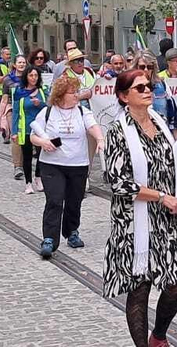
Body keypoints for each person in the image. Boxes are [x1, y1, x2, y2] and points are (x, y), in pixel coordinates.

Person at [102, 69, 177, 347]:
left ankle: (159, 336)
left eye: (148, 86)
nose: (147, 91)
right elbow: (117, 182)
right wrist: (161, 196)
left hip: (167, 219)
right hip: (135, 220)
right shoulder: (118, 131)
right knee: (140, 289)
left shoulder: (160, 122)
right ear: (123, 96)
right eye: (139, 88)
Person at [30, 75, 105, 258]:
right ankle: (49, 239)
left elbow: (93, 126)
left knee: (74, 200)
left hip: (78, 163)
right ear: (61, 95)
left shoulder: (81, 112)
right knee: (54, 201)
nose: (76, 96)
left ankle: (71, 231)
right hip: (52, 164)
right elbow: (33, 135)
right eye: (73, 93)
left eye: (77, 92)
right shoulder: (48, 112)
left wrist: (100, 139)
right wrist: (43, 142)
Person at [12, 66, 50, 194]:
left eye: (35, 75)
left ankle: (38, 176)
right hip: (26, 128)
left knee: (41, 154)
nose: (33, 78)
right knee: (27, 156)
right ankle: (28, 183)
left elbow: (49, 106)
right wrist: (14, 131)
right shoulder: (19, 91)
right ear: (26, 77)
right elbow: (16, 112)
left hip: (41, 129)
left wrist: (39, 103)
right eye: (31, 75)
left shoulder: (42, 90)